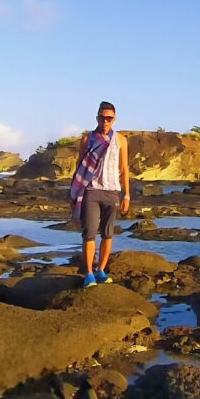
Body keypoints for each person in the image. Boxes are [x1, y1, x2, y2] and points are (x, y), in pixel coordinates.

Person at [70, 101, 131, 288]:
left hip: (112, 191)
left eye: (109, 118)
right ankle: (89, 273)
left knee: (107, 233)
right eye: (102, 117)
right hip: (91, 190)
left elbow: (124, 169)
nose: (105, 121)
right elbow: (80, 168)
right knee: (89, 233)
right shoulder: (87, 139)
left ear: (114, 119)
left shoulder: (120, 140)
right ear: (97, 117)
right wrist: (75, 194)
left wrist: (127, 195)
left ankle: (101, 271)